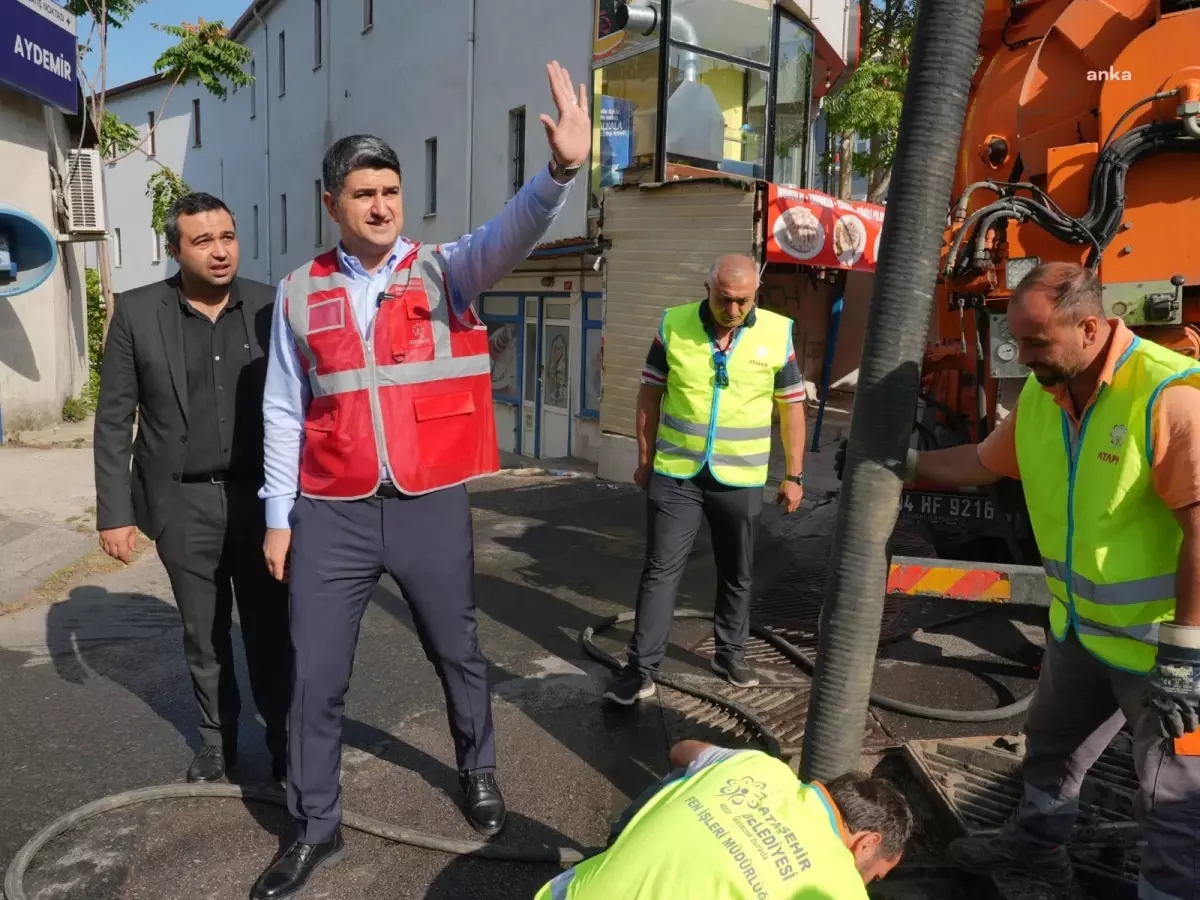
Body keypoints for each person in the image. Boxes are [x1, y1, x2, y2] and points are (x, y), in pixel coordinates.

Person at [248, 61, 591, 900]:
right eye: (363, 192)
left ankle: (477, 770)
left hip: (429, 502)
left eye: (391, 191)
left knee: (458, 652)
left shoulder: (447, 270)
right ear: (331, 202)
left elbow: (508, 234)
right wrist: (278, 516)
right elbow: (284, 412)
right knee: (316, 676)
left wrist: (558, 175)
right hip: (330, 511)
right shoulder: (298, 293)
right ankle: (314, 824)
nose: (381, 205)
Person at [838, 262, 1200, 896]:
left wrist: (1187, 654)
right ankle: (1034, 853)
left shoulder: (1169, 395)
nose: (1022, 355)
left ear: (1089, 327)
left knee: (1174, 805)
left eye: (1035, 342)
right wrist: (902, 462)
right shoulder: (1046, 393)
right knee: (1050, 756)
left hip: (1164, 657)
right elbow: (982, 463)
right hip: (1081, 635)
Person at [93, 192, 292, 785]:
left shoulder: (269, 305)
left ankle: (284, 741)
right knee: (203, 633)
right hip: (181, 502)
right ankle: (217, 742)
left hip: (261, 501)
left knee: (270, 629)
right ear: (175, 250)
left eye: (227, 236)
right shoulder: (136, 312)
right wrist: (114, 512)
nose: (220, 250)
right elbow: (113, 419)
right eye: (203, 241)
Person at [604, 255, 809, 705]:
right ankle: (641, 670)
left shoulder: (777, 333)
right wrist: (644, 457)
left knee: (737, 570)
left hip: (740, 478)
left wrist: (794, 474)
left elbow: (791, 406)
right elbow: (649, 393)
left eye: (742, 301)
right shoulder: (673, 325)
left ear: (756, 292)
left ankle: (729, 653)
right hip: (677, 473)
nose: (732, 310)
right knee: (660, 571)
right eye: (723, 298)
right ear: (707, 287)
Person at [535, 740, 911, 899]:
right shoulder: (840, 890)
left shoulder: (757, 766)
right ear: (867, 843)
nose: (867, 885)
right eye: (874, 875)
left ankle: (617, 846)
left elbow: (681, 750)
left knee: (692, 775)